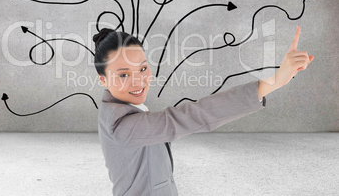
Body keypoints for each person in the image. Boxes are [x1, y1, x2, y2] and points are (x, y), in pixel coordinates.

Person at [93, 26, 313, 195]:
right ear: (102, 80)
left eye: (142, 68)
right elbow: (193, 115)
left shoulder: (119, 107)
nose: (138, 81)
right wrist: (273, 82)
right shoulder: (121, 126)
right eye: (123, 74)